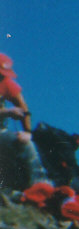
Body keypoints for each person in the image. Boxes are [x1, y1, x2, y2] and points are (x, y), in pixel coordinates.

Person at [0, 53, 50, 190]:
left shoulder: (5, 82)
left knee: (27, 145)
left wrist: (27, 132)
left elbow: (24, 109)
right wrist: (8, 112)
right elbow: (10, 111)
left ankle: (40, 188)